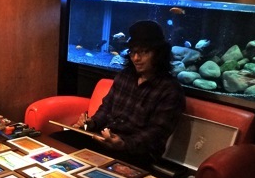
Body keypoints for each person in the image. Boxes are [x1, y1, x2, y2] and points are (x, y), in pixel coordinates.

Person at [64, 20, 185, 169]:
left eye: (144, 52)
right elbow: (105, 110)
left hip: (137, 154)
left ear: (159, 54)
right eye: (133, 52)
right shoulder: (125, 76)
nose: (136, 58)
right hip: (105, 141)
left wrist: (123, 144)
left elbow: (155, 135)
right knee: (58, 142)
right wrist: (90, 123)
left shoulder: (170, 90)